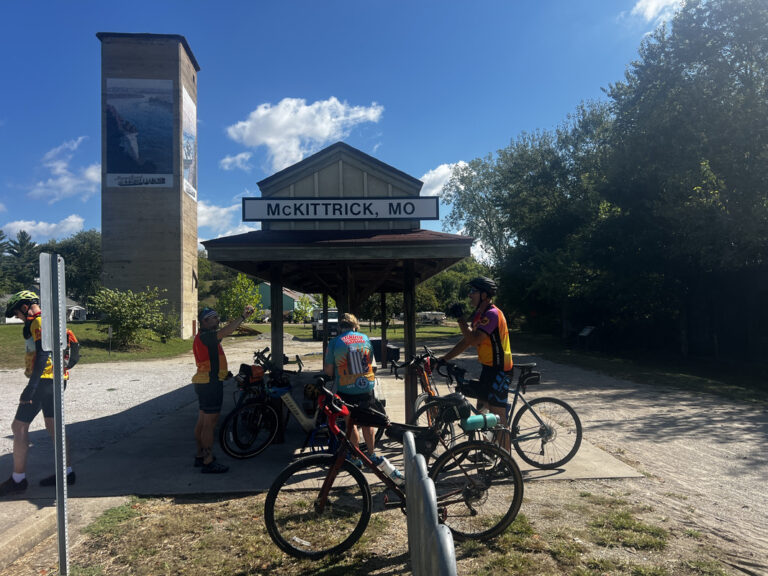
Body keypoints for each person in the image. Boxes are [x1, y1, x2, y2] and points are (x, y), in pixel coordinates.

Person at [1, 290, 75, 496]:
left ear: (25, 306)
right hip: (57, 380)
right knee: (53, 427)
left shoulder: (38, 322)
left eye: (16, 312)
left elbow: (43, 355)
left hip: (43, 382)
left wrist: (30, 387)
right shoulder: (52, 321)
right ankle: (67, 473)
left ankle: (18, 479)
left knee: (19, 426)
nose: (16, 317)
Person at [440, 277, 513, 450]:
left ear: (484, 294)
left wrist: (460, 319)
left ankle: (507, 462)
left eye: (473, 291)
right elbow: (466, 341)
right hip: (488, 369)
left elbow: (473, 340)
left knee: (498, 417)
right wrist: (444, 359)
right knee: (483, 412)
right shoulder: (480, 316)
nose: (469, 294)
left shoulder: (492, 314)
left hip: (500, 370)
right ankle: (489, 451)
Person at [192, 304, 254, 473]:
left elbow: (211, 358)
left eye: (217, 316)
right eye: (214, 317)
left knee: (203, 421)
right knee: (209, 425)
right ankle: (208, 461)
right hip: (210, 385)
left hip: (205, 381)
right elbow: (226, 331)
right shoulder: (206, 335)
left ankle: (200, 456)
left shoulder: (203, 337)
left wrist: (222, 373)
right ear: (204, 321)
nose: (217, 319)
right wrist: (242, 317)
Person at [324, 313, 386, 466]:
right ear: (355, 325)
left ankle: (355, 457)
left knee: (350, 423)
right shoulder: (365, 338)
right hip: (366, 387)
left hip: (346, 389)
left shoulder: (334, 342)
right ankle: (371, 455)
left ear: (340, 327)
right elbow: (370, 361)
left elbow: (329, 371)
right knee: (367, 423)